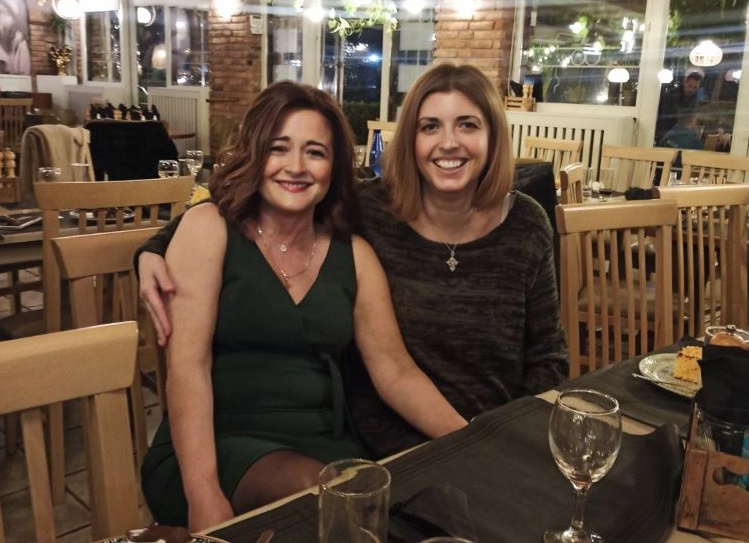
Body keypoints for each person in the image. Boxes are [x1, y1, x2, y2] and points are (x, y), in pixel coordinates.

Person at [138, 63, 568, 458]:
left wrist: (514, 437)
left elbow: (548, 357)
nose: (449, 142)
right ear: (411, 139)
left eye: (468, 125)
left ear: (493, 137)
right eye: (430, 126)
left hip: (497, 434)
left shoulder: (526, 223)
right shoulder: (373, 209)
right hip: (390, 439)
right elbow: (251, 207)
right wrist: (154, 246)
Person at [140, 81, 467, 531]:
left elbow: (396, 373)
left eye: (315, 152)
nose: (295, 167)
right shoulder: (209, 227)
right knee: (328, 500)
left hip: (326, 447)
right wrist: (203, 494)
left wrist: (472, 437)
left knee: (409, 509)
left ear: (334, 167)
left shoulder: (354, 254)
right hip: (212, 445)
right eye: (278, 148)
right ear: (254, 154)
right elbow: (186, 369)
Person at [655, 71, 703, 144]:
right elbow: (665, 120)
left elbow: (692, 115)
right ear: (684, 82)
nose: (692, 90)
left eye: (695, 88)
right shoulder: (670, 96)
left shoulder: (694, 96)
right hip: (664, 135)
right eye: (690, 86)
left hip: (680, 134)